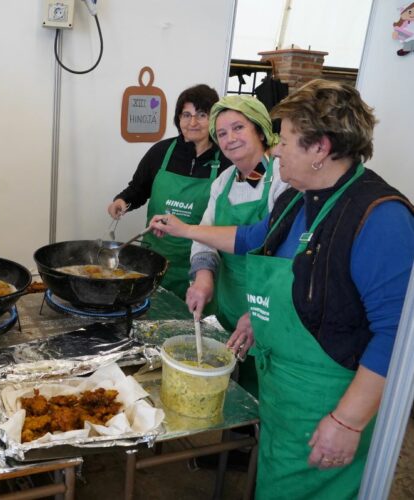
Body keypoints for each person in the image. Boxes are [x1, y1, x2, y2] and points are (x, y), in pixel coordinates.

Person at [149, 79, 414, 499]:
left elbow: (396, 335)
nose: (276, 150)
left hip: (324, 399)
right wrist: (260, 311)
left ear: (320, 148)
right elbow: (255, 237)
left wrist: (348, 421)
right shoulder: (297, 198)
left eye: (286, 140)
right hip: (282, 396)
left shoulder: (380, 218)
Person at [186, 95, 289, 397]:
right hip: (229, 305)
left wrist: (259, 312)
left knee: (262, 391)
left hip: (270, 307)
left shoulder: (282, 179)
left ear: (260, 130)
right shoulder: (225, 181)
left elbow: (283, 252)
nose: (230, 139)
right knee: (231, 389)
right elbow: (204, 236)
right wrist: (204, 279)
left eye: (238, 128)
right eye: (221, 133)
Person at [107, 84, 231, 300]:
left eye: (201, 115)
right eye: (186, 115)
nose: (192, 122)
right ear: (178, 118)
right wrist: (122, 201)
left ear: (214, 119)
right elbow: (138, 188)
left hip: (202, 268)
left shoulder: (226, 161)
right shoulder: (161, 152)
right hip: (156, 261)